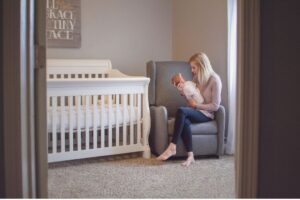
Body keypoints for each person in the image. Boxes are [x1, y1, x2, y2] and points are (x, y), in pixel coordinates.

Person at [156, 52, 222, 167]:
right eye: (191, 67)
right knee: (184, 121)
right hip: (196, 111)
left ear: (202, 66)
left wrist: (196, 106)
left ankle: (172, 147)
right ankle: (190, 156)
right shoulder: (198, 78)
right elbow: (192, 98)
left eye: (194, 67)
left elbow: (215, 106)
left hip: (206, 114)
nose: (192, 70)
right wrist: (183, 91)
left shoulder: (215, 80)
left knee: (181, 111)